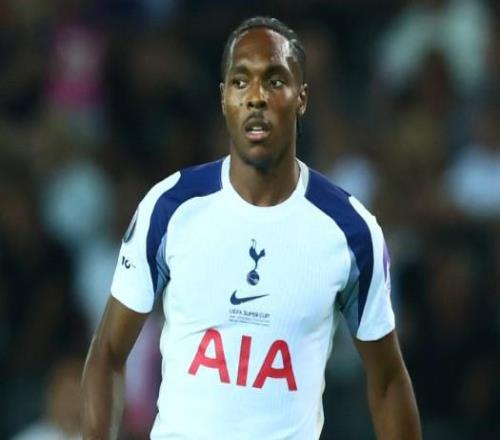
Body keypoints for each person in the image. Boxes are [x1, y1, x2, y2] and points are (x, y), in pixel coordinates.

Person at [82, 16, 421, 439]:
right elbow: (108, 352)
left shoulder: (350, 231)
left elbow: (388, 382)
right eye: (241, 82)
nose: (256, 97)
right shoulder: (170, 207)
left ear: (302, 98)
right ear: (224, 98)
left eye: (274, 81)